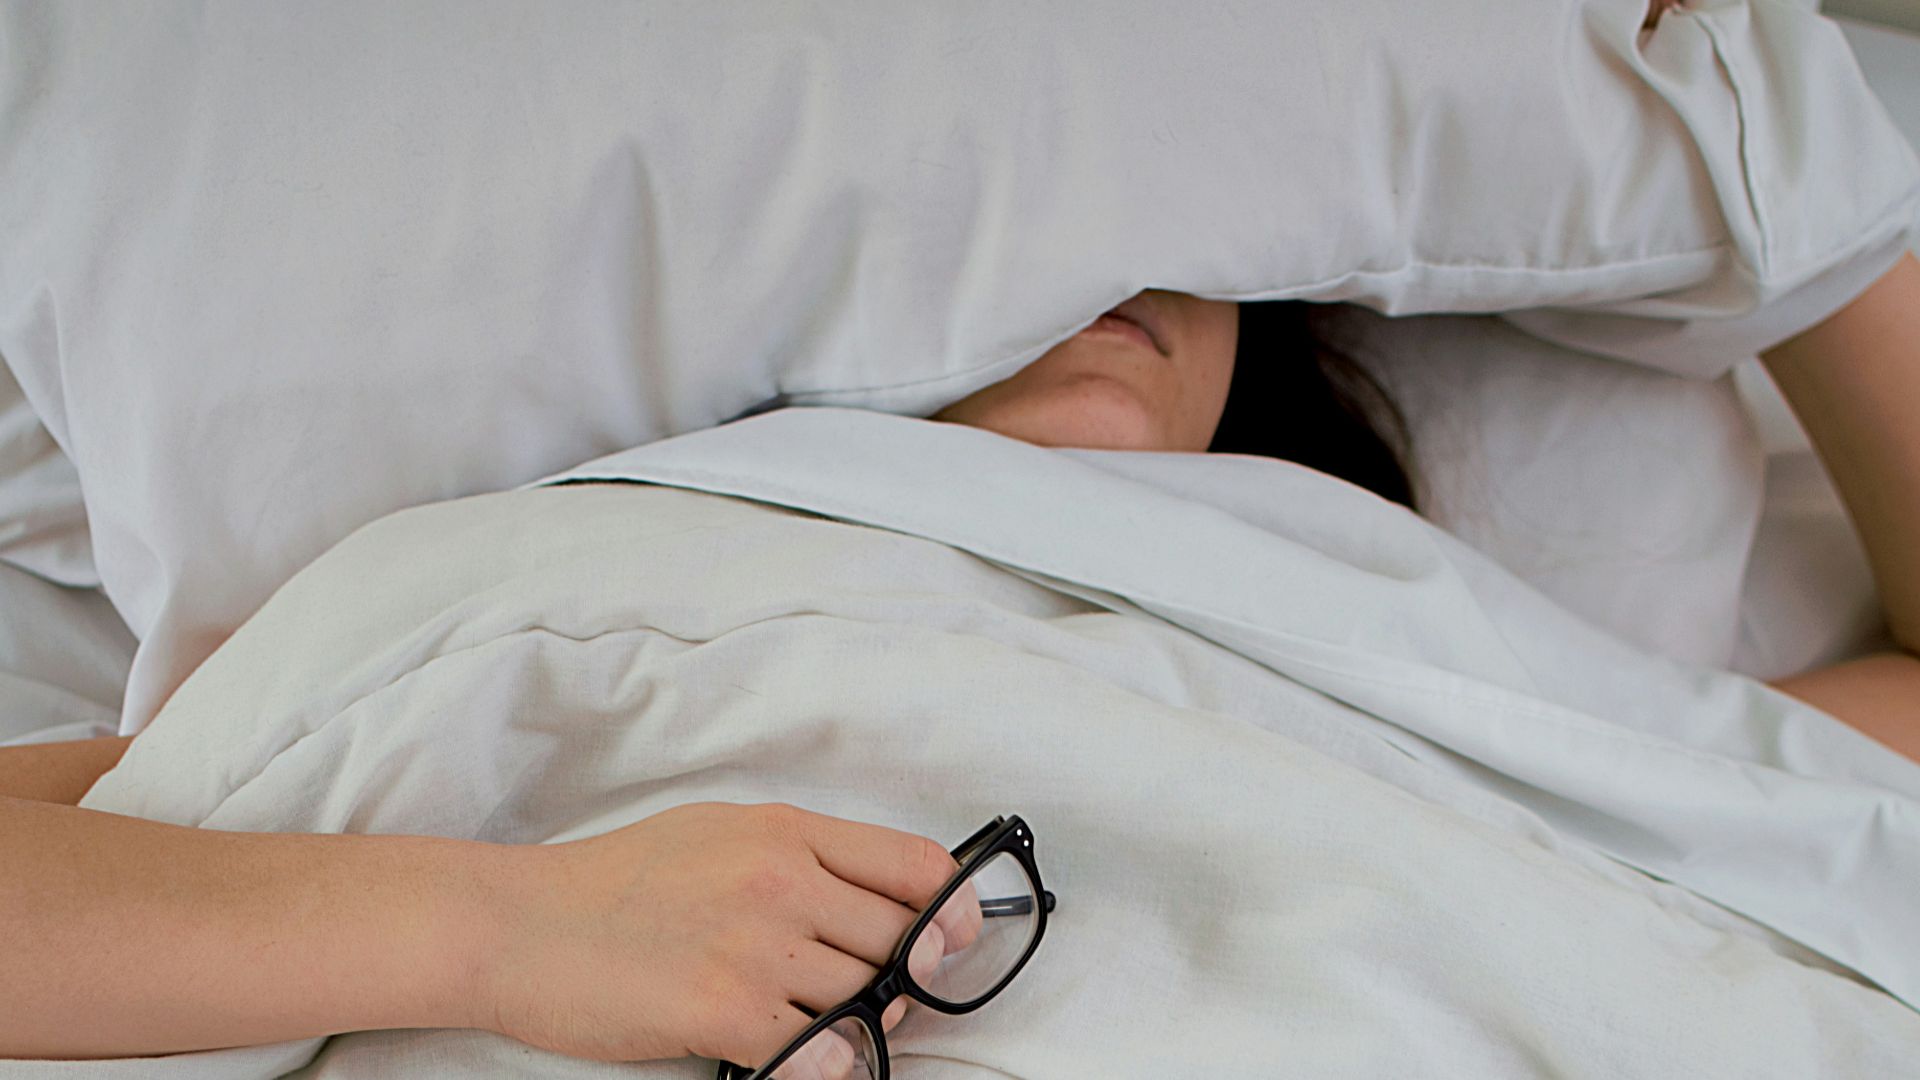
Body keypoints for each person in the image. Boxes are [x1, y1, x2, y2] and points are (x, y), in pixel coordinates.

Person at [3, 254, 1917, 1066]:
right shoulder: (567, 582)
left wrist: (1765, 143)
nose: (1116, 271)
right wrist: (504, 930)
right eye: (1013, 220)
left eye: (1182, 226)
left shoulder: (1403, 647)